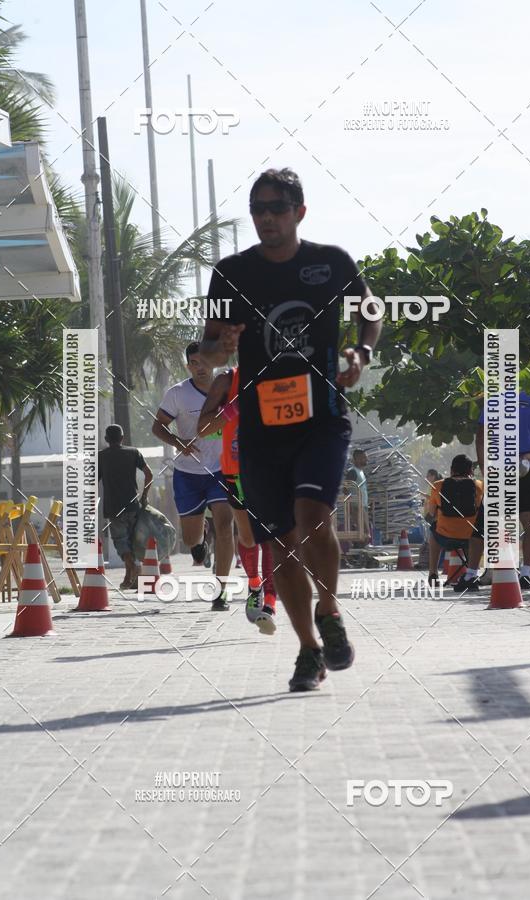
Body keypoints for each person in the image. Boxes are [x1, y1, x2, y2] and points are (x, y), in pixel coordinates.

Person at [200, 167, 381, 691]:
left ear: (299, 212)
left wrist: (361, 351)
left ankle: (330, 609)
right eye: (257, 209)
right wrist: (220, 348)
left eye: (276, 208)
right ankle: (308, 650)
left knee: (314, 518)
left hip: (321, 417)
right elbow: (208, 347)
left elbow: (372, 311)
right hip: (260, 427)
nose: (266, 218)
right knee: (279, 543)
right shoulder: (230, 272)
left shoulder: (330, 262)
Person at [151, 342, 234, 611]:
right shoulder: (177, 394)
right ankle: (201, 540)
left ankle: (220, 590)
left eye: (205, 362)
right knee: (189, 540)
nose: (201, 368)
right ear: (189, 366)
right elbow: (157, 426)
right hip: (188, 473)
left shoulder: (228, 389)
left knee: (225, 527)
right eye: (194, 364)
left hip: (221, 470)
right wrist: (177, 442)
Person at [197, 365, 277, 635]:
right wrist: (234, 408)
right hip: (236, 472)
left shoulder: (281, 372)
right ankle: (254, 583)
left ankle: (270, 604)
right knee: (247, 538)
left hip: (271, 470)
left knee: (270, 538)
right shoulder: (226, 381)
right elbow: (203, 428)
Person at [454, 391, 530, 592]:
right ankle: (525, 574)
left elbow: (481, 438)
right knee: (526, 522)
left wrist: (486, 469)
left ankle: (471, 575)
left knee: (486, 524)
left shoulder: (500, 401)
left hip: (512, 469)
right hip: (525, 468)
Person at [98, 424, 153, 589]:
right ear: (122, 438)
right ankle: (132, 576)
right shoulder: (133, 452)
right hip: (133, 506)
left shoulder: (101, 456)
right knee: (133, 541)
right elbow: (149, 473)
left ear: (106, 440)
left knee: (121, 542)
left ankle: (132, 571)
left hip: (114, 508)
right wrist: (144, 496)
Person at [426, 455, 483, 585]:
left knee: (433, 529)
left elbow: (431, 512)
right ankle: (471, 572)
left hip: (445, 537)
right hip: (471, 538)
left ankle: (433, 573)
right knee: (477, 528)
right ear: (471, 471)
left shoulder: (437, 486)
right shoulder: (480, 486)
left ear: (451, 470)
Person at [346, 449, 370, 542]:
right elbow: (345, 489)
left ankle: (363, 550)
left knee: (366, 533)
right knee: (363, 532)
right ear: (357, 459)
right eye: (364, 458)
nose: (366, 460)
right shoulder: (352, 472)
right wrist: (351, 507)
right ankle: (360, 551)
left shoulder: (361, 472)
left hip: (363, 505)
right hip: (356, 506)